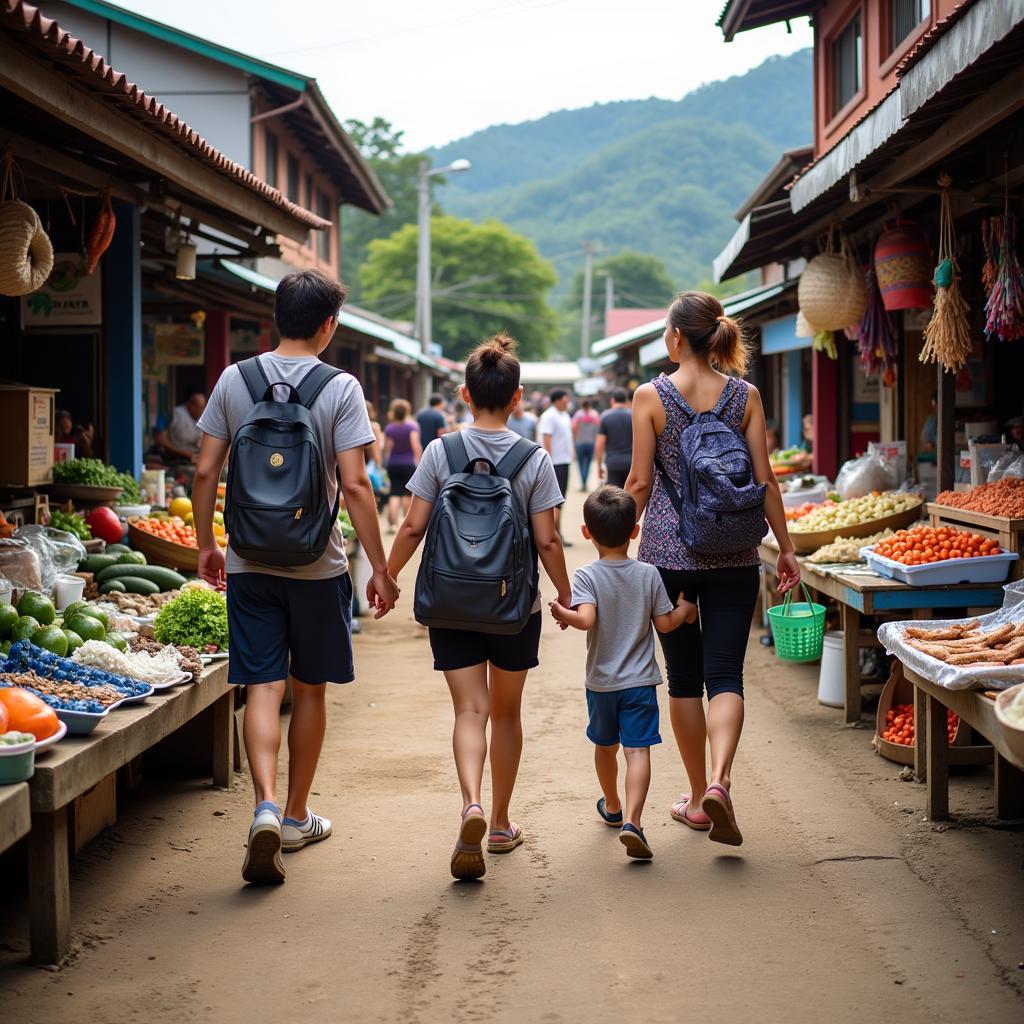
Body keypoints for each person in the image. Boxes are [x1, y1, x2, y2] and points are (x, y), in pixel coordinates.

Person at [192, 268, 399, 885]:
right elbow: (357, 484)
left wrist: (207, 544)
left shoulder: (236, 378)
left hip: (249, 560)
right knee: (309, 690)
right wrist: (381, 567)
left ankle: (260, 803)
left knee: (262, 687)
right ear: (329, 326)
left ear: (273, 319)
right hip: (316, 563)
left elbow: (205, 473)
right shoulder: (340, 387)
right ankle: (296, 814)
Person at [387, 333, 571, 881]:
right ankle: (498, 823)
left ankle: (469, 802)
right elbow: (548, 541)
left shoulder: (440, 451)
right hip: (514, 605)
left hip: (450, 600)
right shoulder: (534, 459)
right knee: (507, 713)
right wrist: (565, 593)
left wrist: (387, 574)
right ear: (518, 399)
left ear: (464, 395)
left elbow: (414, 524)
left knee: (469, 710)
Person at [626, 291, 800, 847]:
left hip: (669, 559)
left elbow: (640, 483)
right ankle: (720, 782)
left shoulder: (650, 396)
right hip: (735, 555)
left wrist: (618, 530)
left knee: (683, 677)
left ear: (676, 337)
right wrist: (788, 548)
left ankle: (696, 794)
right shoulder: (745, 395)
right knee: (726, 675)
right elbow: (764, 476)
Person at [549, 486, 697, 860]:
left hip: (602, 683)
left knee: (605, 746)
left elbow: (585, 620)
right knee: (638, 750)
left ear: (586, 531)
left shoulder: (586, 576)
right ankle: (634, 819)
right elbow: (664, 624)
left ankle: (612, 805)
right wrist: (685, 612)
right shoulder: (648, 574)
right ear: (635, 531)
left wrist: (561, 612)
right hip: (641, 682)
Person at [538, 389, 574, 544]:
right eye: (565, 400)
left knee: (561, 500)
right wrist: (549, 462)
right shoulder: (549, 415)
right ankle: (553, 534)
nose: (567, 403)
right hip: (555, 463)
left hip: (564, 461)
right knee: (555, 501)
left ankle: (558, 533)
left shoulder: (564, 415)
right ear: (558, 400)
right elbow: (546, 438)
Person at [382, 399, 422, 534]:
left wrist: (385, 461)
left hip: (393, 464)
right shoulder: (412, 427)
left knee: (394, 493)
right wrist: (420, 460)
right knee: (406, 494)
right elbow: (415, 444)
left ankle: (393, 524)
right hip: (408, 464)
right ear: (407, 411)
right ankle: (405, 523)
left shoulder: (389, 428)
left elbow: (387, 447)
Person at [155, 391, 207, 464]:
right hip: (174, 458)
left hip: (194, 455)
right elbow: (160, 439)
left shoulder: (201, 417)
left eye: (203, 407)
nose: (203, 410)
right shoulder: (175, 414)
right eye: (200, 407)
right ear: (190, 405)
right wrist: (186, 454)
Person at [595, 388, 632, 487]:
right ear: (626, 400)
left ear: (612, 400)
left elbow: (599, 444)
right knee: (630, 497)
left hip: (613, 462)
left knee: (615, 497)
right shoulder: (634, 415)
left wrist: (599, 466)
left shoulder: (605, 416)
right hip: (632, 463)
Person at [572, 399, 600, 491]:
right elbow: (598, 429)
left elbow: (573, 427)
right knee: (588, 464)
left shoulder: (578, 415)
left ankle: (583, 481)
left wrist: (575, 439)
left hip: (580, 442)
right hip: (591, 442)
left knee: (580, 464)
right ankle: (585, 481)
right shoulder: (594, 415)